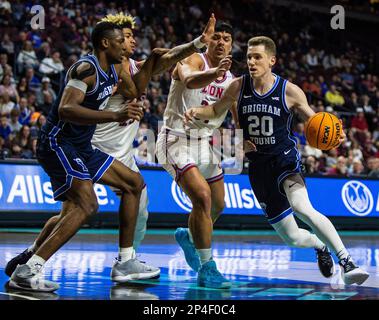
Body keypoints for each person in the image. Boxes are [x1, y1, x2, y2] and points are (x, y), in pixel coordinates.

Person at [6, 14, 217, 288]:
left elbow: (157, 65)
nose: (129, 43)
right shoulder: (85, 68)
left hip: (83, 145)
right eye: (123, 39)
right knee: (85, 205)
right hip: (60, 143)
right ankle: (29, 270)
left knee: (133, 184)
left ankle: (125, 261)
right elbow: (65, 110)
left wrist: (197, 43)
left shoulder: (119, 68)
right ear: (107, 43)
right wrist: (117, 115)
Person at [184, 36, 369, 286]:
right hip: (259, 168)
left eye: (257, 57)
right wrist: (197, 111)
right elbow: (216, 110)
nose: (251, 61)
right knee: (292, 238)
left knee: (303, 207)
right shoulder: (238, 87)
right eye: (249, 57)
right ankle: (319, 246)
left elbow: (316, 122)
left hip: (284, 161)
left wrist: (335, 134)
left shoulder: (289, 91)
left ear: (272, 60)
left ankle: (347, 262)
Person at [156, 21, 235, 289]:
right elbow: (189, 80)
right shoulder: (192, 58)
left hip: (203, 143)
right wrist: (214, 73)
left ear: (232, 45)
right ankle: (206, 267)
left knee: (219, 204)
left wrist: (251, 140)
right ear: (208, 41)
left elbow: (236, 112)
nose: (221, 42)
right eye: (216, 38)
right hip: (174, 139)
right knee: (202, 196)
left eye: (226, 39)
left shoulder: (232, 80)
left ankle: (190, 237)